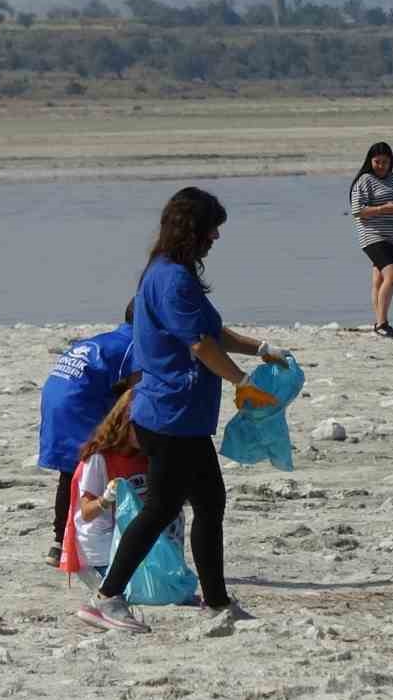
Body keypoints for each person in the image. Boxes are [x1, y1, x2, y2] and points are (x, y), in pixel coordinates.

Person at [76, 186, 289, 634]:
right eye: (212, 228)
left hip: (180, 416)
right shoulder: (170, 279)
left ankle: (216, 602)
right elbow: (200, 345)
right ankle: (107, 598)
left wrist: (261, 349)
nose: (217, 236)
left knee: (209, 503)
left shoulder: (170, 273)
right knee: (162, 510)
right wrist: (243, 383)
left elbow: (211, 331)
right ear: (192, 230)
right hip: (170, 415)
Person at [37, 302, 135, 567]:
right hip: (78, 406)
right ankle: (79, 542)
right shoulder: (133, 345)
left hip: (57, 401)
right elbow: (137, 391)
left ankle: (58, 544)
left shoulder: (106, 340)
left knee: (71, 471)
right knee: (94, 465)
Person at [57, 388, 156, 591]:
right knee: (135, 591)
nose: (147, 434)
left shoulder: (148, 456)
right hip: (99, 549)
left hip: (132, 544)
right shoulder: (100, 459)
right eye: (140, 428)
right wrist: (106, 498)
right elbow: (85, 512)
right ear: (124, 424)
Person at [349, 141, 393, 339]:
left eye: (385, 162)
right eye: (377, 162)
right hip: (372, 236)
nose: (381, 166)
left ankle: (378, 322)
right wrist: (384, 209)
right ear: (370, 161)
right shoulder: (364, 180)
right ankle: (383, 324)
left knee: (379, 279)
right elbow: (358, 211)